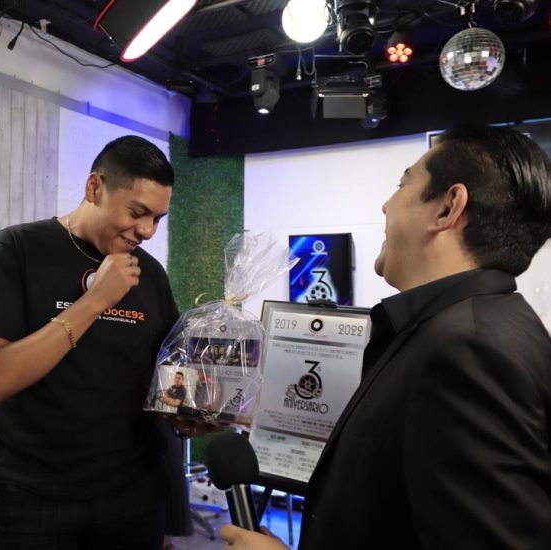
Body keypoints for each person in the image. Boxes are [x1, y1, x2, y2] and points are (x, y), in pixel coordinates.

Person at [220, 124, 551, 550]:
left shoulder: (466, 350)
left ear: (448, 208)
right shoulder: (476, 325)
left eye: (402, 185)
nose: (385, 204)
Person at [0, 135, 193, 549]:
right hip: (35, 500)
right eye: (137, 213)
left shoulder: (151, 274)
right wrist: (96, 300)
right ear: (94, 188)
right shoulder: (18, 249)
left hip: (135, 498)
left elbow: (168, 380)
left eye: (158, 218)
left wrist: (191, 412)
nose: (147, 231)